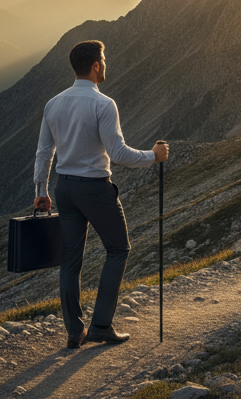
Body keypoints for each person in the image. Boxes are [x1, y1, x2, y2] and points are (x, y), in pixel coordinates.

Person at [32, 40, 168, 348]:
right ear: (95, 65)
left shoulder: (53, 104)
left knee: (70, 259)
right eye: (103, 60)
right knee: (118, 249)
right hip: (94, 187)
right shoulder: (103, 104)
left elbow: (44, 152)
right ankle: (101, 325)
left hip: (64, 188)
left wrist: (41, 190)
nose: (105, 65)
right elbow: (118, 154)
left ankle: (73, 331)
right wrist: (153, 155)